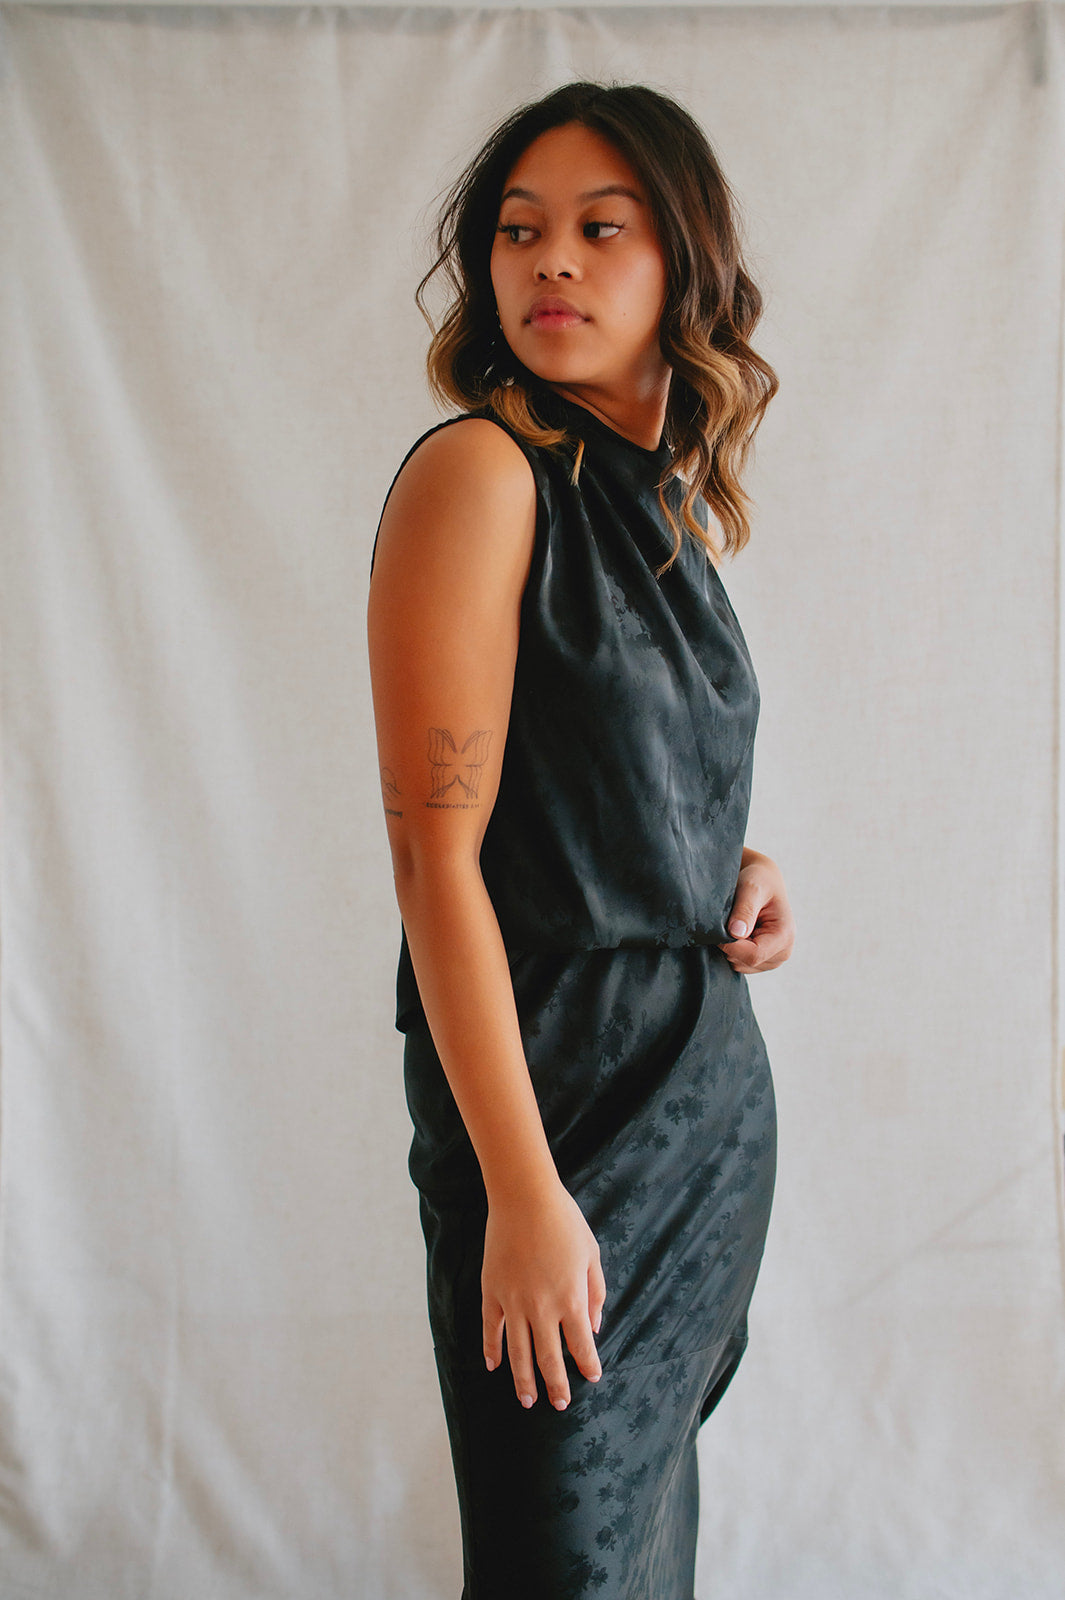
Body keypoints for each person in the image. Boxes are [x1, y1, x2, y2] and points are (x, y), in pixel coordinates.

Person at [366, 80, 795, 1600]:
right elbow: (436, 861)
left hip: (696, 1100)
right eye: (518, 229)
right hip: (547, 1108)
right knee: (558, 1567)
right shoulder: (481, 475)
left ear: (683, 264)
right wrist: (521, 1192)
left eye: (602, 229)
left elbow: (619, 784)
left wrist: (730, 873)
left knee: (640, 1556)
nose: (550, 259)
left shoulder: (664, 509)